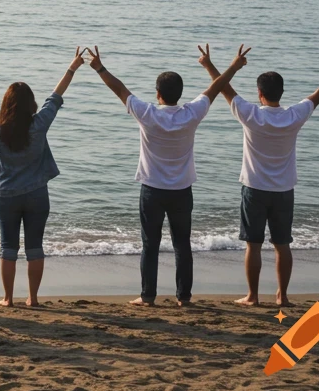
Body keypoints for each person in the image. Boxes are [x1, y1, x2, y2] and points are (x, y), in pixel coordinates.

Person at [86, 44, 250, 307]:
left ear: (158, 93)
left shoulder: (147, 113)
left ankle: (147, 296)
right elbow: (216, 88)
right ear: (179, 94)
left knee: (150, 244)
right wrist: (232, 65)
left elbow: (120, 89)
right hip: (182, 190)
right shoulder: (192, 113)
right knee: (182, 245)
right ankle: (184, 298)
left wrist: (99, 68)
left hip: (152, 189)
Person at [198, 47, 319, 307]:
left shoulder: (251, 114)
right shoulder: (294, 115)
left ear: (259, 94)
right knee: (282, 244)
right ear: (281, 93)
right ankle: (282, 296)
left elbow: (223, 89)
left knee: (253, 244)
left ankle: (252, 296)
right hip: (284, 190)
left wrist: (210, 64)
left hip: (254, 188)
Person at [0, 48, 84, 307]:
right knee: (35, 248)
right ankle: (32, 299)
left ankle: (8, 299)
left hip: (7, 196)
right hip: (36, 194)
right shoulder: (40, 123)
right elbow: (56, 96)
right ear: (31, 103)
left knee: (8, 248)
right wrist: (72, 67)